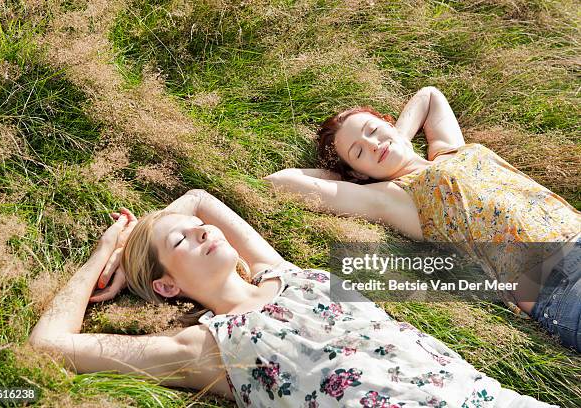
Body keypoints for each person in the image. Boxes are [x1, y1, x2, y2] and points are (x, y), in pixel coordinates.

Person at [29, 189, 559, 407]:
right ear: (168, 286)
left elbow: (200, 200)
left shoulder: (286, 274)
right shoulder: (208, 349)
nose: (200, 232)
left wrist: (152, 230)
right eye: (179, 241)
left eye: (197, 229)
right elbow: (49, 344)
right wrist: (101, 258)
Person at [264, 87, 581, 352]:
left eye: (373, 130)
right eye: (359, 152)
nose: (373, 144)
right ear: (358, 172)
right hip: (557, 284)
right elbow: (280, 181)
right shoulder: (393, 196)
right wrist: (350, 177)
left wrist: (395, 141)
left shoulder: (448, 151)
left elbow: (430, 97)